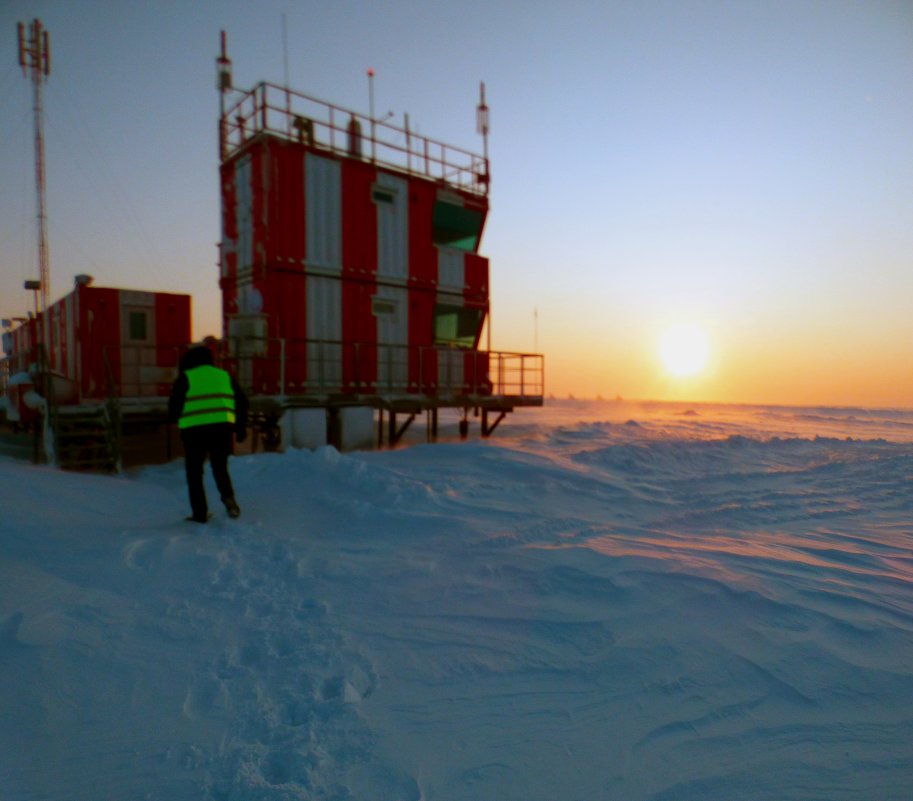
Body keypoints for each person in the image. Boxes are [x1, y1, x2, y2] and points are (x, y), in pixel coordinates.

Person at [169, 344, 248, 523]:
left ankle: (200, 514)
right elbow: (242, 402)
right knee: (220, 468)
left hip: (194, 433)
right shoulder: (224, 376)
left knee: (195, 473)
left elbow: (174, 409)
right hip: (221, 431)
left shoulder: (185, 378)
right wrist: (240, 428)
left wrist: (178, 420)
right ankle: (230, 501)